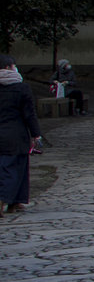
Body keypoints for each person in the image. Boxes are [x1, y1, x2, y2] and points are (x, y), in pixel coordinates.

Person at [0, 53, 44, 214]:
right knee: (15, 169)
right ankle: (6, 199)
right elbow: (29, 114)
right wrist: (36, 134)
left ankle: (14, 202)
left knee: (4, 167)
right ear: (8, 67)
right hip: (15, 135)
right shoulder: (21, 88)